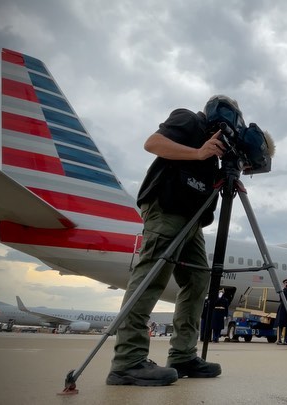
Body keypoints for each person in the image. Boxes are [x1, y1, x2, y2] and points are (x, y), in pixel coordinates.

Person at [107, 96, 234, 386]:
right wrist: (199, 153)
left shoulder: (214, 152)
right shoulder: (190, 120)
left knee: (198, 280)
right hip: (167, 209)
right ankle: (127, 361)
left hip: (192, 221)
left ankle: (182, 354)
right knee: (152, 276)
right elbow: (153, 143)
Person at [275, 278, 287, 345]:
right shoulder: (282, 291)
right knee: (280, 325)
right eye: (286, 283)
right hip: (283, 309)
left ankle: (285, 340)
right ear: (284, 283)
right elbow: (283, 300)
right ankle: (279, 340)